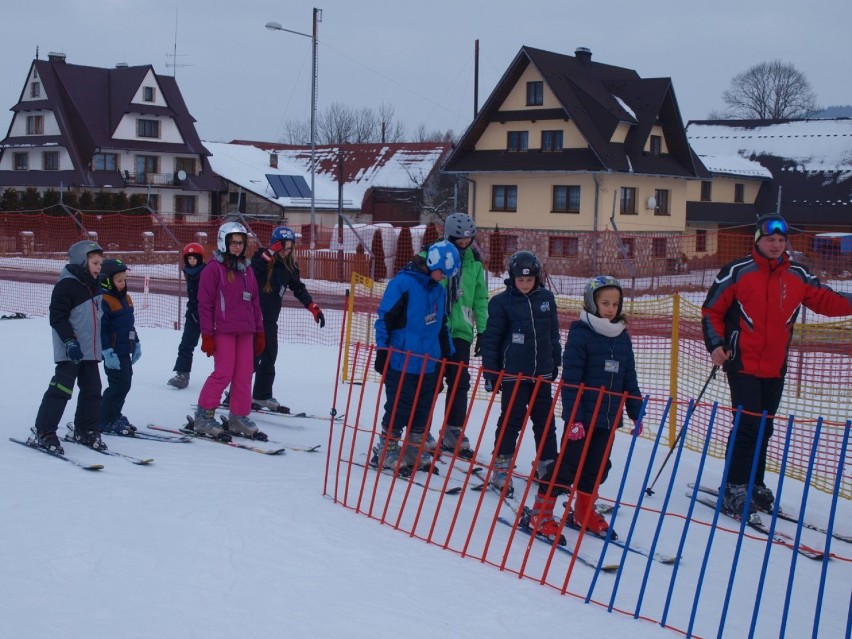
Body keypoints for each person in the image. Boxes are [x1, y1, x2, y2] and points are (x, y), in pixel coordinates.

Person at [702, 212, 852, 518]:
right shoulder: (737, 271)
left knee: (764, 427)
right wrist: (717, 345)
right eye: (771, 239)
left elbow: (826, 300)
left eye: (782, 240)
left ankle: (753, 483)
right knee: (748, 425)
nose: (777, 244)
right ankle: (733, 486)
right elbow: (711, 311)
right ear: (759, 239)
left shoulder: (797, 274)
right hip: (741, 362)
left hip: (775, 365)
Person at [547, 275, 643, 540]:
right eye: (605, 303)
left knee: (597, 467)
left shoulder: (622, 337)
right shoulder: (581, 335)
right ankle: (542, 511)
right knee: (567, 466)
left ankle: (583, 511)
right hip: (583, 417)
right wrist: (574, 418)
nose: (611, 309)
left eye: (615, 303)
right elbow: (571, 381)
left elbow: (629, 379)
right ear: (592, 302)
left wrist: (637, 412)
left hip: (608, 418)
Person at [479, 250, 561, 516]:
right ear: (512, 279)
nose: (525, 285)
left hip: (541, 373)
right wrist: (492, 373)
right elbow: (491, 340)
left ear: (537, 278)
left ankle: (547, 463)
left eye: (529, 280)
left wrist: (555, 361)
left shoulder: (546, 299)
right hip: (514, 373)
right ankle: (502, 465)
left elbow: (553, 334)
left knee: (544, 419)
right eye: (520, 280)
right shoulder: (501, 303)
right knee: (512, 418)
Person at [371, 240, 459, 474]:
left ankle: (413, 449)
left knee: (422, 409)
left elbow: (441, 326)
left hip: (429, 363)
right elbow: (384, 320)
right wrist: (382, 351)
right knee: (399, 407)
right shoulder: (403, 284)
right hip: (402, 361)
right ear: (431, 264)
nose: (444, 278)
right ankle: (387, 449)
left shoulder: (438, 291)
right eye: (442, 272)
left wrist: (448, 356)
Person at [28, 240, 107, 453]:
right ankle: (44, 431)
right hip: (70, 350)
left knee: (93, 390)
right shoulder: (66, 285)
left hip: (90, 351)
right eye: (95, 263)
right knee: (61, 389)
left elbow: (97, 318)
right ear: (82, 261)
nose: (99, 268)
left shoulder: (95, 284)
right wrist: (70, 341)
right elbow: (58, 318)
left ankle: (86, 429)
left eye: (100, 264)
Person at [193, 222, 265, 439]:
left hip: (245, 330)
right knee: (223, 372)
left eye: (241, 243)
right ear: (224, 243)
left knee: (244, 374)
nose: (237, 247)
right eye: (233, 243)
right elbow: (204, 304)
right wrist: (207, 334)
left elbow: (255, 303)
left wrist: (259, 331)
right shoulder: (213, 269)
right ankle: (203, 416)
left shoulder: (247, 271)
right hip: (222, 330)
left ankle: (238, 416)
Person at [249, 226, 324, 412]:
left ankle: (261, 395)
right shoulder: (261, 258)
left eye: (290, 246)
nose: (286, 250)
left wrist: (311, 306)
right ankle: (235, 394)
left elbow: (298, 288)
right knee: (250, 359)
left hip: (270, 320)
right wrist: (269, 254)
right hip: (252, 318)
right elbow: (251, 273)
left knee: (269, 356)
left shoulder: (289, 267)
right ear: (274, 245)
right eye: (282, 246)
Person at [434, 212, 489, 458]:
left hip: (462, 333)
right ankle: (419, 430)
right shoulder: (436, 255)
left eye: (468, 239)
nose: (465, 243)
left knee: (460, 383)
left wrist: (484, 331)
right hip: (436, 329)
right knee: (431, 382)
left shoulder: (475, 264)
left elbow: (480, 298)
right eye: (460, 239)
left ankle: (452, 431)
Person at [97, 259, 142, 437]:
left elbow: (130, 325)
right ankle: (104, 419)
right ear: (108, 281)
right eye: (119, 280)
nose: (123, 284)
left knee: (125, 384)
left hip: (125, 350)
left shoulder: (127, 299)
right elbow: (102, 330)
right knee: (118, 386)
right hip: (113, 353)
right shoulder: (104, 301)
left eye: (124, 280)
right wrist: (107, 352)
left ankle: (114, 414)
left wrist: (136, 343)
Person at [167, 242, 206, 390]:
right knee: (186, 344)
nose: (192, 261)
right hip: (193, 314)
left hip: (207, 314)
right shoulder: (189, 271)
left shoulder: (207, 271)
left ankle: (227, 375)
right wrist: (193, 312)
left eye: (194, 258)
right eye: (189, 259)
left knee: (219, 347)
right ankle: (182, 374)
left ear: (200, 258)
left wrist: (201, 312)